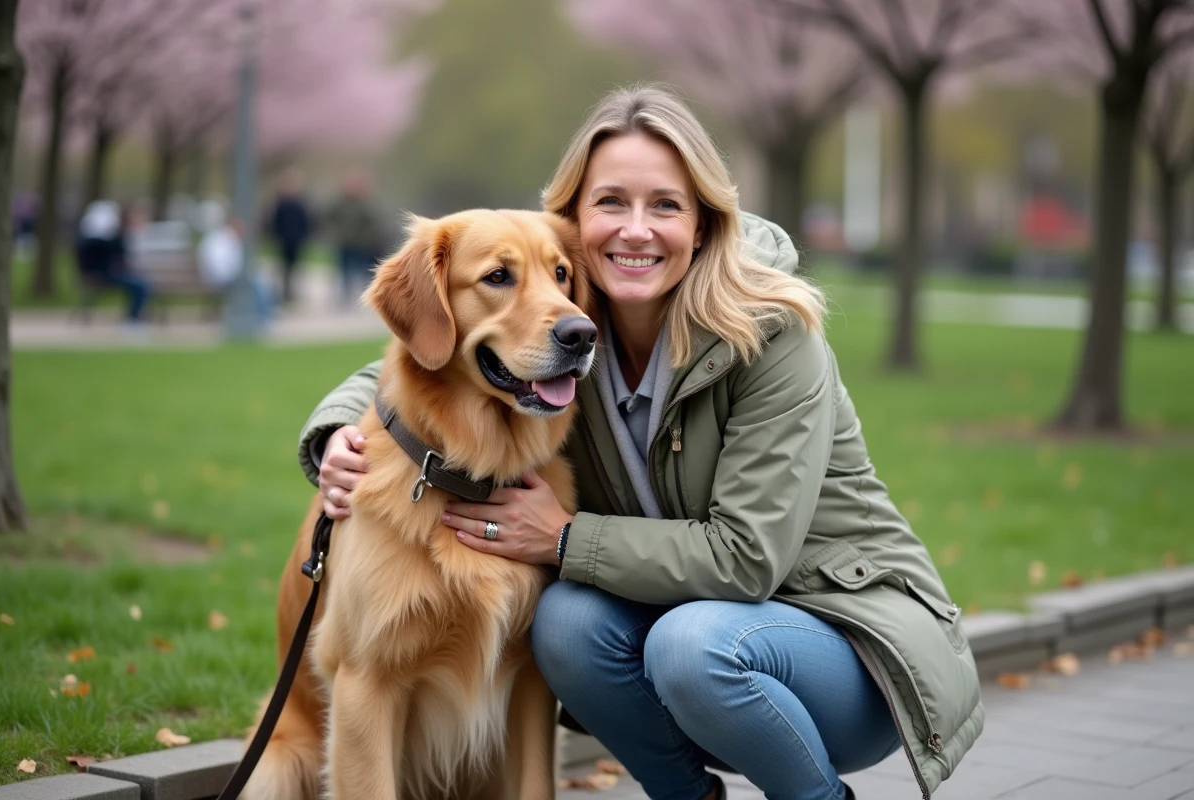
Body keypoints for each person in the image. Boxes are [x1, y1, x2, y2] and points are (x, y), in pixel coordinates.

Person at [296, 86, 982, 800]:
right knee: (563, 624)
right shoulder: (567, 329)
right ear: (574, 220)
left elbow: (746, 560)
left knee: (692, 648)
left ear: (703, 222)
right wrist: (336, 432)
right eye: (611, 203)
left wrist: (564, 541)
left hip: (846, 645)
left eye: (664, 205)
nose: (635, 230)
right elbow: (432, 354)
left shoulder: (776, 336)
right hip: (691, 623)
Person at [75, 200, 150, 325]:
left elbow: (120, 258)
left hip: (106, 274)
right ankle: (133, 319)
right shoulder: (98, 241)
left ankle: (134, 317)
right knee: (140, 285)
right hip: (103, 275)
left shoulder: (96, 239)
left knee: (140, 283)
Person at [324, 170, 383, 308]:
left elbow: (374, 223)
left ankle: (367, 298)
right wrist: (334, 232)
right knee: (345, 271)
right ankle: (345, 298)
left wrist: (370, 238)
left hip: (362, 245)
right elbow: (329, 217)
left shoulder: (366, 204)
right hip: (344, 243)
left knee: (363, 271)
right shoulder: (339, 203)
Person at [268, 168, 312, 306]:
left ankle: (291, 291)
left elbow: (306, 222)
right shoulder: (280, 204)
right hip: (283, 240)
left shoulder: (300, 203)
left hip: (296, 240)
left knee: (294, 267)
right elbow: (274, 222)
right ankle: (284, 292)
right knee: (284, 267)